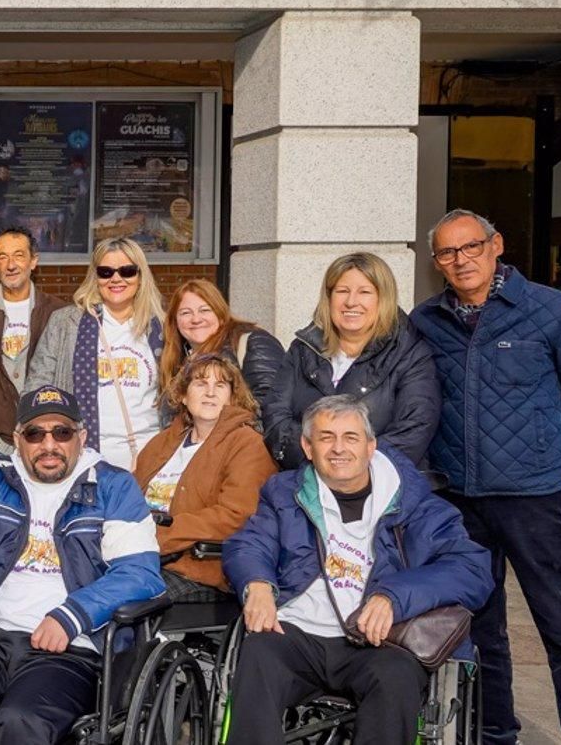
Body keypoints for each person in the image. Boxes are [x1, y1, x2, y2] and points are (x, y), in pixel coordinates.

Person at [410, 209, 561, 745]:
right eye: (448, 253)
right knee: (481, 629)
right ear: (437, 263)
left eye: (471, 247)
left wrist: (555, 464)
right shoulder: (425, 321)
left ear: (496, 244)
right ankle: (495, 733)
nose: (461, 260)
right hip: (459, 499)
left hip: (534, 501)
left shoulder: (555, 311)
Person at [221, 395, 494, 745]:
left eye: (350, 437)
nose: (338, 449)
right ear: (307, 446)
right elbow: (249, 543)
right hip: (298, 632)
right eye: (325, 437)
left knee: (395, 676)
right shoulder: (284, 493)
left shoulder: (414, 503)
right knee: (257, 653)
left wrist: (394, 596)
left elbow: (472, 568)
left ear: (370, 446)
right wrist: (257, 583)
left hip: (380, 641)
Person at [0, 385, 165, 745]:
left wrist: (72, 615)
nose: (49, 444)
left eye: (61, 432)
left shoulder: (112, 486)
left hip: (68, 647)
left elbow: (140, 572)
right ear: (17, 439)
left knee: (19, 724)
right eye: (34, 433)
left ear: (81, 436)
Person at [262, 252, 440, 470]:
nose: (351, 302)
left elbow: (414, 429)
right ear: (329, 297)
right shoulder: (303, 349)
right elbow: (275, 415)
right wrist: (320, 465)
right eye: (342, 291)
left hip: (382, 488)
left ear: (383, 299)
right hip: (305, 479)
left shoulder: (410, 353)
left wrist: (350, 472)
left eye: (364, 292)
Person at [132, 354, 277, 601]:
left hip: (194, 568)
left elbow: (235, 517)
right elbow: (128, 496)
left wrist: (158, 536)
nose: (210, 393)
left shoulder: (247, 444)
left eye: (220, 386)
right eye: (200, 384)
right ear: (184, 396)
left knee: (121, 595)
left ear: (233, 398)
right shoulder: (162, 441)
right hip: (140, 554)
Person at [27, 237, 165, 472]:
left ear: (141, 276)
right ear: (95, 277)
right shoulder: (66, 323)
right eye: (106, 271)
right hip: (82, 460)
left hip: (150, 458)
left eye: (127, 271)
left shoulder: (161, 326)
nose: (116, 279)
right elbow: (37, 388)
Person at [0, 227, 68, 456]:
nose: (11, 265)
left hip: (49, 440)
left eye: (19, 255)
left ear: (33, 261)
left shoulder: (60, 314)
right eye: (2, 257)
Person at [158, 279, 282, 420]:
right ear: (175, 321)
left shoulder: (251, 342)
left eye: (205, 310)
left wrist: (224, 436)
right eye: (186, 313)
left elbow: (271, 408)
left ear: (221, 315)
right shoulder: (178, 358)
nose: (196, 319)